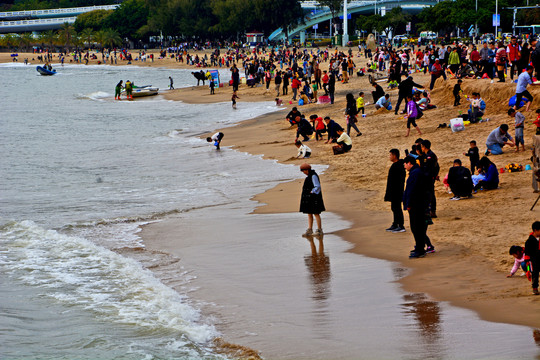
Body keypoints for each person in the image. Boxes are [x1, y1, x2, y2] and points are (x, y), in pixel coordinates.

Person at [403, 156, 434, 258]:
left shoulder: (416, 173)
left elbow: (413, 190)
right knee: (417, 228)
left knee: (417, 228)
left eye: (405, 164)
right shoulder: (416, 172)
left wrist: (409, 204)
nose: (404, 166)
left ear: (409, 163)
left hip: (417, 205)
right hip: (419, 204)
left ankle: (420, 250)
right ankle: (419, 247)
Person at [299, 163, 325, 236]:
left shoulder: (313, 176)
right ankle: (310, 230)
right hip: (309, 198)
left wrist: (312, 191)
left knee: (316, 213)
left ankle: (319, 230)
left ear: (306, 170)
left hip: (314, 198)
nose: (303, 173)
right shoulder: (309, 176)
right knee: (309, 214)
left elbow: (317, 186)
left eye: (303, 171)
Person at [384, 149, 406, 233]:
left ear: (394, 155)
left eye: (390, 155)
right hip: (393, 190)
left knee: (397, 208)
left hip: (397, 191)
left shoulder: (399, 166)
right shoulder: (395, 165)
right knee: (394, 208)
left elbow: (400, 180)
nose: (389, 157)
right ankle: (395, 223)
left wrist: (397, 190)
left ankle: (401, 225)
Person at [419, 139, 439, 218]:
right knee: (427, 194)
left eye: (422, 147)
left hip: (429, 178)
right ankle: (429, 210)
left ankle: (432, 211)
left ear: (424, 147)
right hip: (427, 178)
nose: (421, 148)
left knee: (430, 194)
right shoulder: (426, 155)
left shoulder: (430, 155)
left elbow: (431, 168)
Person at [524, 221, 540, 295]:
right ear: (535, 230)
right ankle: (535, 288)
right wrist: (527, 270)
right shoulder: (529, 241)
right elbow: (527, 256)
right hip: (533, 261)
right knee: (535, 274)